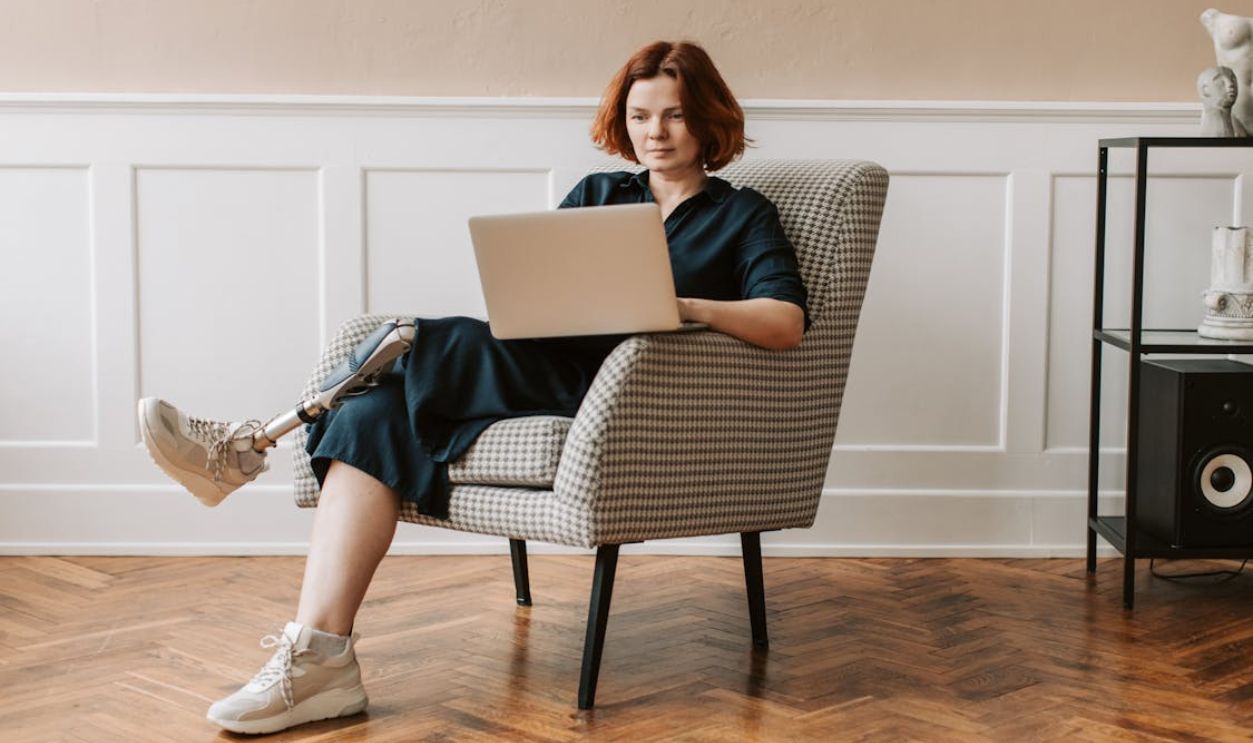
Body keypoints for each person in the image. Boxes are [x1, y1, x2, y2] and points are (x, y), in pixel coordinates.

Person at [137, 39, 810, 735]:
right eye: (640, 116)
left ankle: (246, 447)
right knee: (371, 415)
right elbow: (545, 285)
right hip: (544, 359)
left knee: (411, 335)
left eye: (673, 116)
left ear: (707, 120)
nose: (654, 133)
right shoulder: (600, 194)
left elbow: (784, 321)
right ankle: (319, 660)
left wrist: (681, 305)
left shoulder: (742, 215)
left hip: (620, 394)